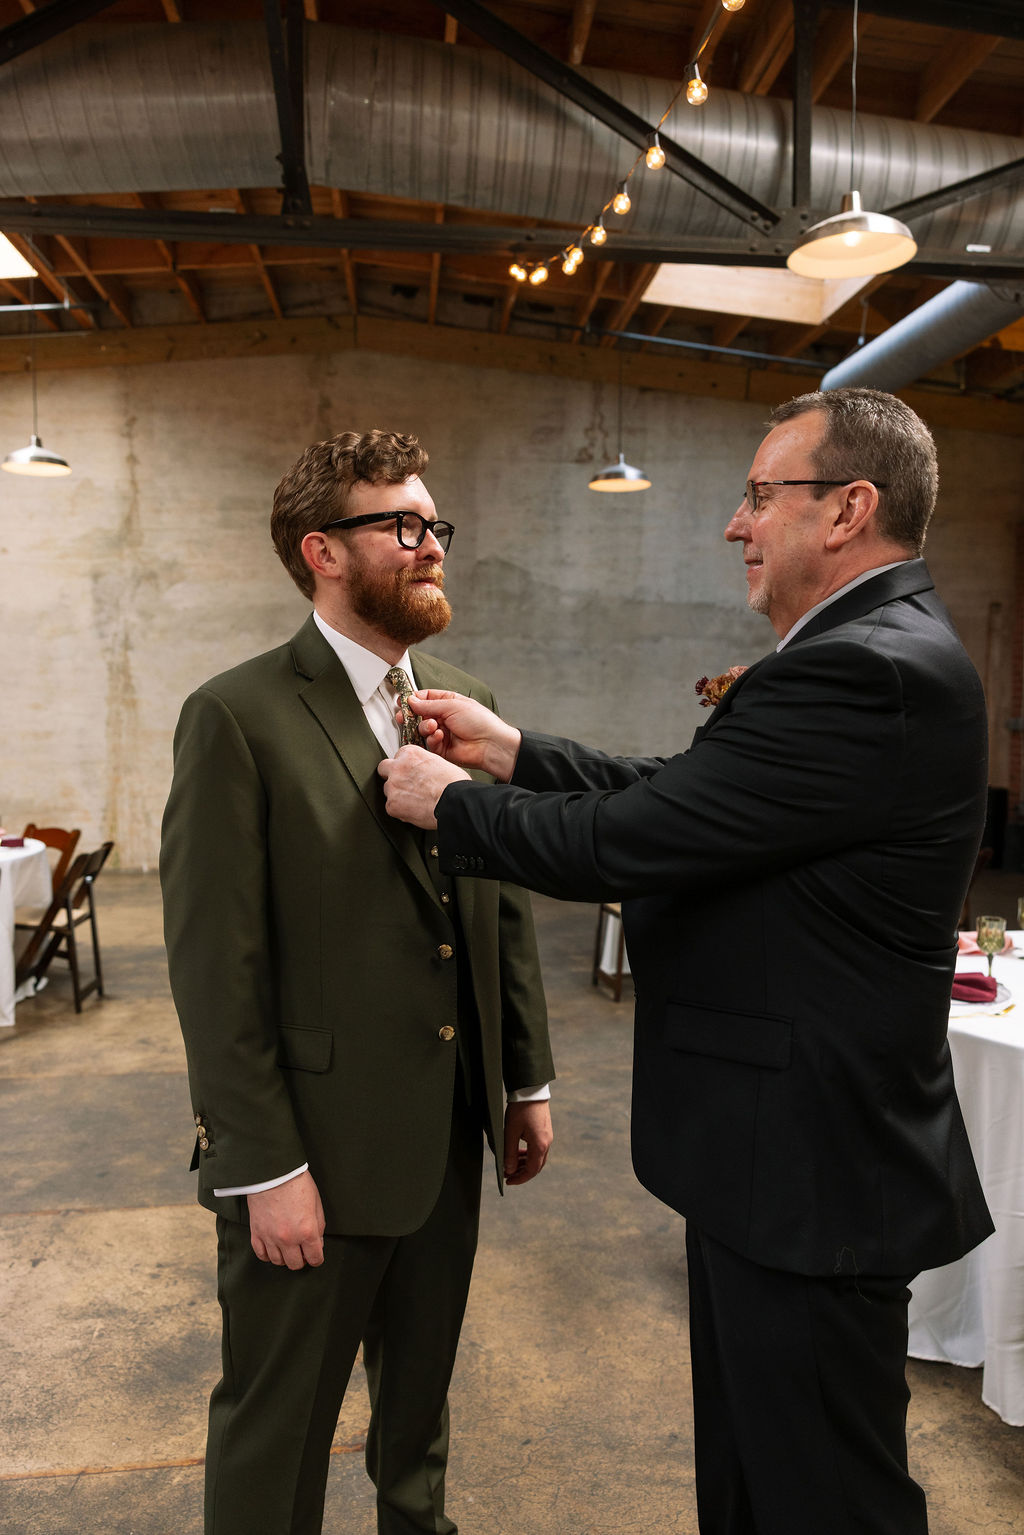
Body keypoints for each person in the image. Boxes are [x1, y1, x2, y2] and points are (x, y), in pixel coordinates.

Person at [377, 389, 994, 1535]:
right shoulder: (863, 652)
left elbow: (635, 837)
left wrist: (457, 807)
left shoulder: (867, 668)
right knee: (760, 1478)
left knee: (826, 1495)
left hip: (808, 1161)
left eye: (762, 494)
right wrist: (519, 752)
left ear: (848, 509)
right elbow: (690, 796)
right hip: (781, 1156)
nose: (735, 523)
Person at [160, 429, 554, 1535]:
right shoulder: (236, 715)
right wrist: (263, 1161)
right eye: (404, 525)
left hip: (447, 1135)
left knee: (419, 1417)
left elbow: (499, 901)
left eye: (436, 524)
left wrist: (524, 1077)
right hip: (312, 1158)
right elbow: (213, 963)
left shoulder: (464, 699)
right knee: (277, 1425)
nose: (432, 546)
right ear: (320, 551)